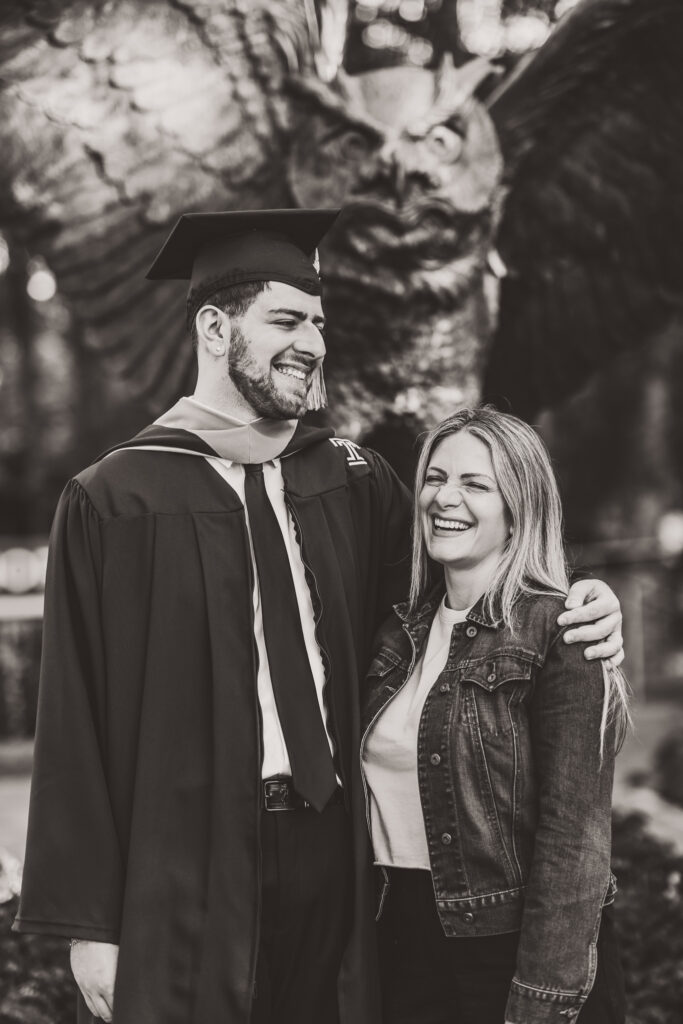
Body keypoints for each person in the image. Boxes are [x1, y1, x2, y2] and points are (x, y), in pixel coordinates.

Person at [15, 210, 624, 1024]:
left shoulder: (351, 480)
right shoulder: (115, 499)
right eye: (286, 320)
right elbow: (72, 721)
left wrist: (583, 600)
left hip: (341, 850)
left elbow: (459, 590)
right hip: (187, 855)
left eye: (319, 322)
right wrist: (89, 926)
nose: (313, 341)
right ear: (212, 326)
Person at [362, 407, 629, 1024]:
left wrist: (544, 999)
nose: (444, 498)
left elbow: (575, 842)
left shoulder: (562, 631)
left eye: (476, 484)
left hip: (518, 953)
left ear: (520, 507)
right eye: (435, 477)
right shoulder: (396, 634)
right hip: (402, 945)